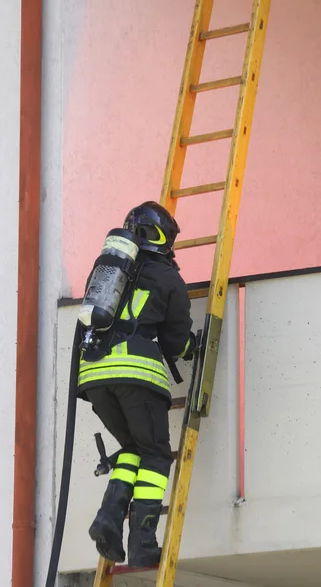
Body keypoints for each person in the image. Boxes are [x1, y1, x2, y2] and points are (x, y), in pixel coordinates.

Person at [77, 201, 196, 568]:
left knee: (133, 446)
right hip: (136, 374)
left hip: (93, 374)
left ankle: (109, 519)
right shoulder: (167, 278)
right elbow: (176, 343)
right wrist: (195, 346)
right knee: (158, 453)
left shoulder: (109, 271)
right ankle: (144, 541)